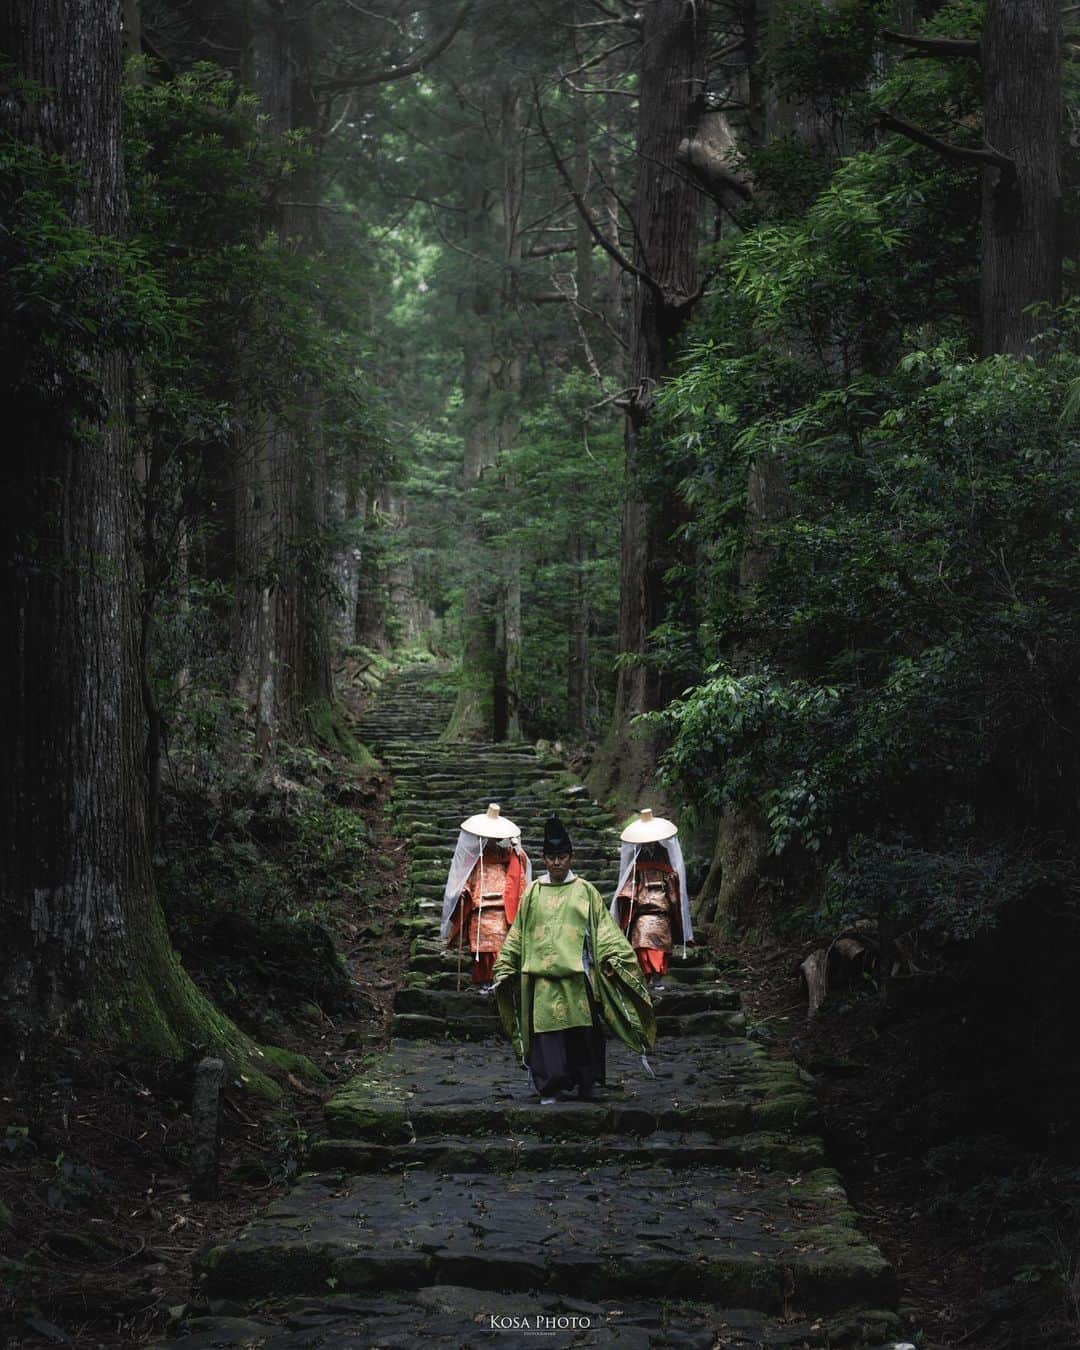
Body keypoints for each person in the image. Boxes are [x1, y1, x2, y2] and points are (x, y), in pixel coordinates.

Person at [493, 813, 655, 1104]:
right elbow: (519, 932)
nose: (557, 862)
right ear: (543, 859)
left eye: (562, 856)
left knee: (583, 1033)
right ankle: (550, 1087)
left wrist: (611, 958)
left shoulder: (585, 891)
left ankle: (586, 1083)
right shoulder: (532, 893)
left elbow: (604, 929)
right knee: (547, 1037)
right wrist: (506, 963)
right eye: (551, 857)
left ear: (571, 857)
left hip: (578, 974)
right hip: (542, 978)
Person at [441, 804, 530, 989]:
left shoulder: (508, 856)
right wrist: (464, 889)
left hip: (501, 907)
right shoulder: (475, 858)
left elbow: (517, 877)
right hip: (479, 906)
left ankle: (501, 978)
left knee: (500, 943)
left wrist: (517, 853)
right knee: (481, 946)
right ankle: (483, 980)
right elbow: (465, 875)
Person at [611, 808, 693, 991]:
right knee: (642, 943)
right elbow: (629, 884)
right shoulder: (637, 861)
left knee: (660, 947)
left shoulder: (664, 855)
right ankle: (648, 975)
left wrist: (672, 885)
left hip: (661, 911)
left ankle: (657, 975)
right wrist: (628, 894)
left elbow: (673, 885)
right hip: (643, 911)